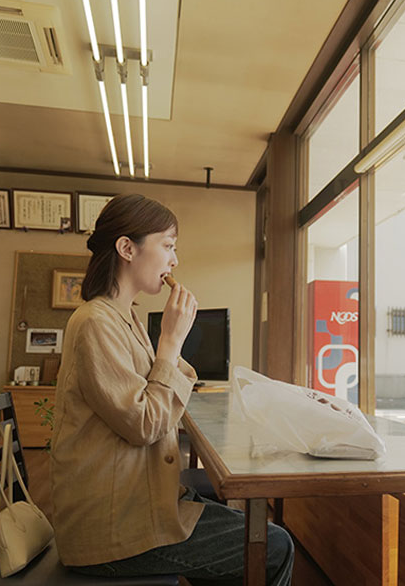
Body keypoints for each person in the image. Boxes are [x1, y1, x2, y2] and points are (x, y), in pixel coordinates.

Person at [50, 193, 293, 585]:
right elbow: (146, 424)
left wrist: (168, 344)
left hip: (140, 506)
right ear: (127, 248)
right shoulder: (95, 323)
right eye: (167, 245)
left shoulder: (123, 317)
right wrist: (171, 342)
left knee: (255, 530)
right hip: (112, 531)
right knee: (275, 545)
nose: (174, 260)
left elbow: (151, 406)